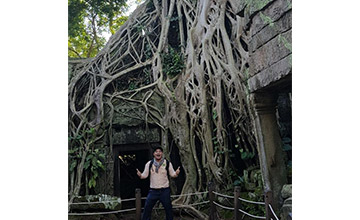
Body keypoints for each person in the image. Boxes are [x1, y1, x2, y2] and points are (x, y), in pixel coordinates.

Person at [136, 146, 180, 220]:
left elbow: (173, 174)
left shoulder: (167, 163)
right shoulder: (149, 164)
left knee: (168, 209)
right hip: (153, 191)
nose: (158, 153)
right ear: (153, 154)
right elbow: (144, 175)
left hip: (164, 190)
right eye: (156, 151)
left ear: (162, 153)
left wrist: (177, 173)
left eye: (160, 151)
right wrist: (140, 175)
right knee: (147, 207)